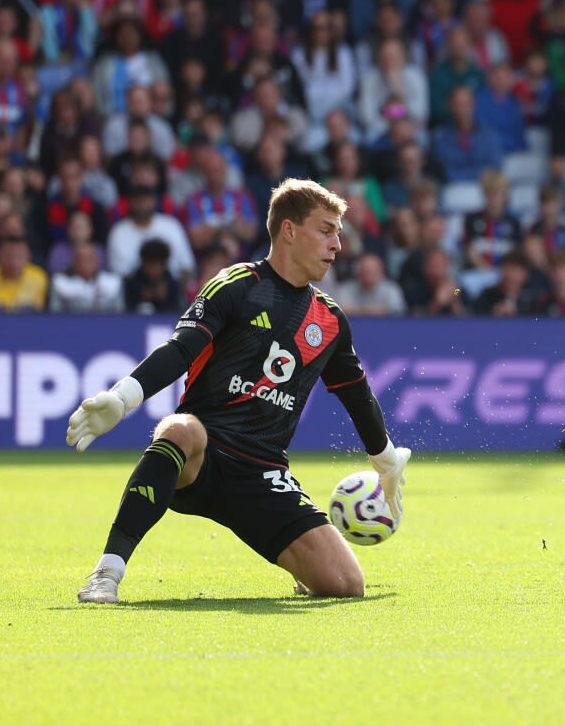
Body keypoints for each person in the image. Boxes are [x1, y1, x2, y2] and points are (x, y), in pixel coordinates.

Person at [65, 180, 413, 602]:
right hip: (203, 455)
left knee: (345, 586)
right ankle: (107, 573)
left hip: (264, 473)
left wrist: (388, 462)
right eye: (326, 230)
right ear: (289, 230)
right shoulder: (236, 286)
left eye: (338, 232)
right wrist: (123, 398)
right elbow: (179, 351)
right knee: (179, 428)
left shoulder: (330, 320)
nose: (337, 244)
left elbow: (357, 397)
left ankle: (300, 561)